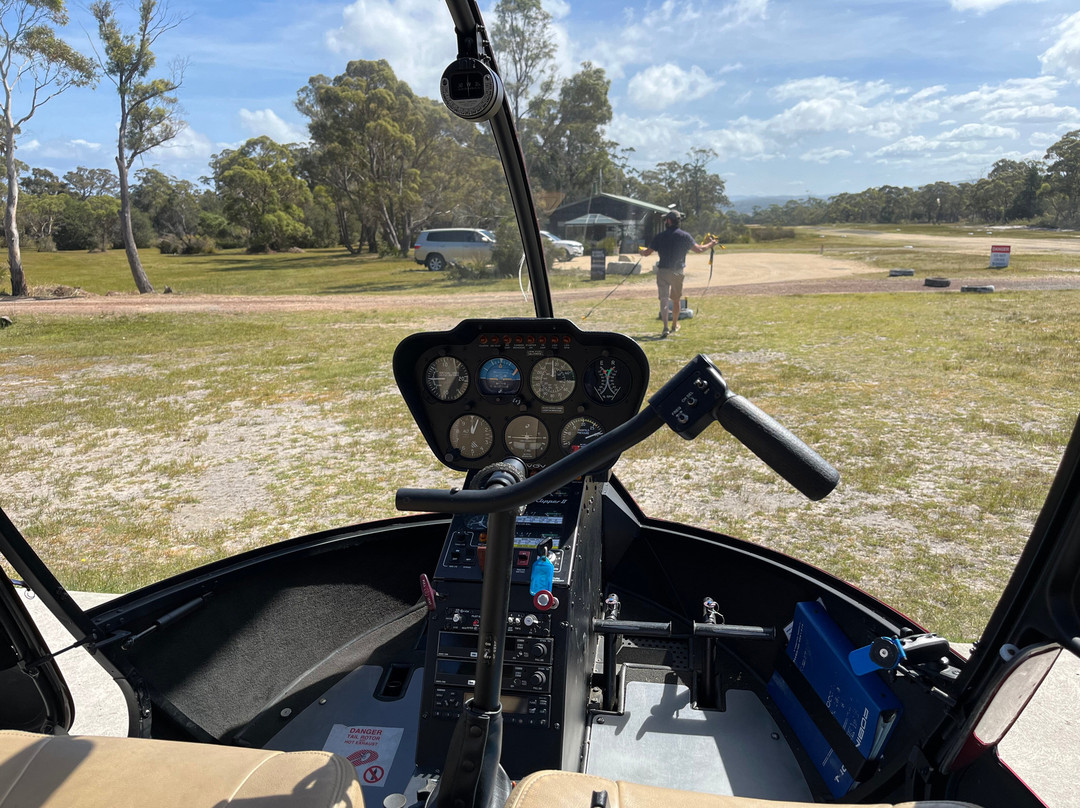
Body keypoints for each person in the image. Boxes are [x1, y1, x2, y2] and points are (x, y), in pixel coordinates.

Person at [640, 210, 717, 337]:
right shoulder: (685, 236)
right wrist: (711, 244)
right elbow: (699, 249)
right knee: (676, 300)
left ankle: (665, 327)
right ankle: (674, 325)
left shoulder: (660, 236)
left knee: (664, 300)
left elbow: (647, 252)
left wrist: (641, 252)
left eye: (665, 220)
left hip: (663, 271)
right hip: (677, 272)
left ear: (669, 221)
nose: (665, 222)